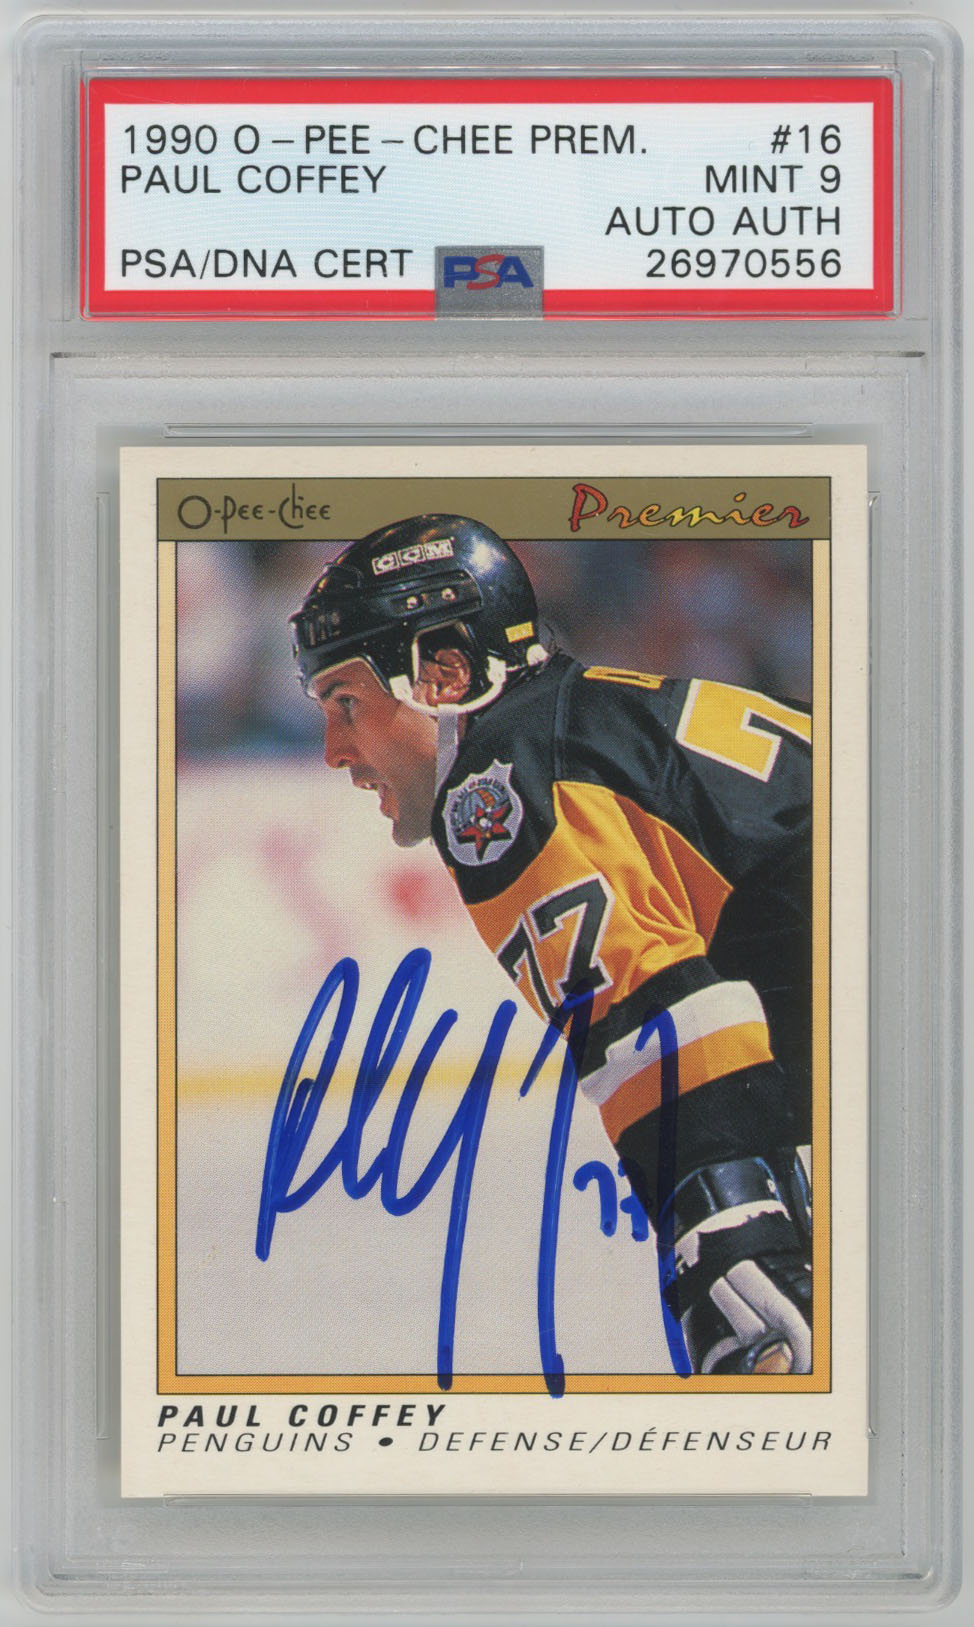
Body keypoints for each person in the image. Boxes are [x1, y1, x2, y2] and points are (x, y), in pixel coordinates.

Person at [290, 514, 814, 1377]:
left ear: (444, 672)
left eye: (347, 701)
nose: (333, 750)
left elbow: (661, 1020)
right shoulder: (583, 720)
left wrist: (732, 1235)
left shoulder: (496, 781)